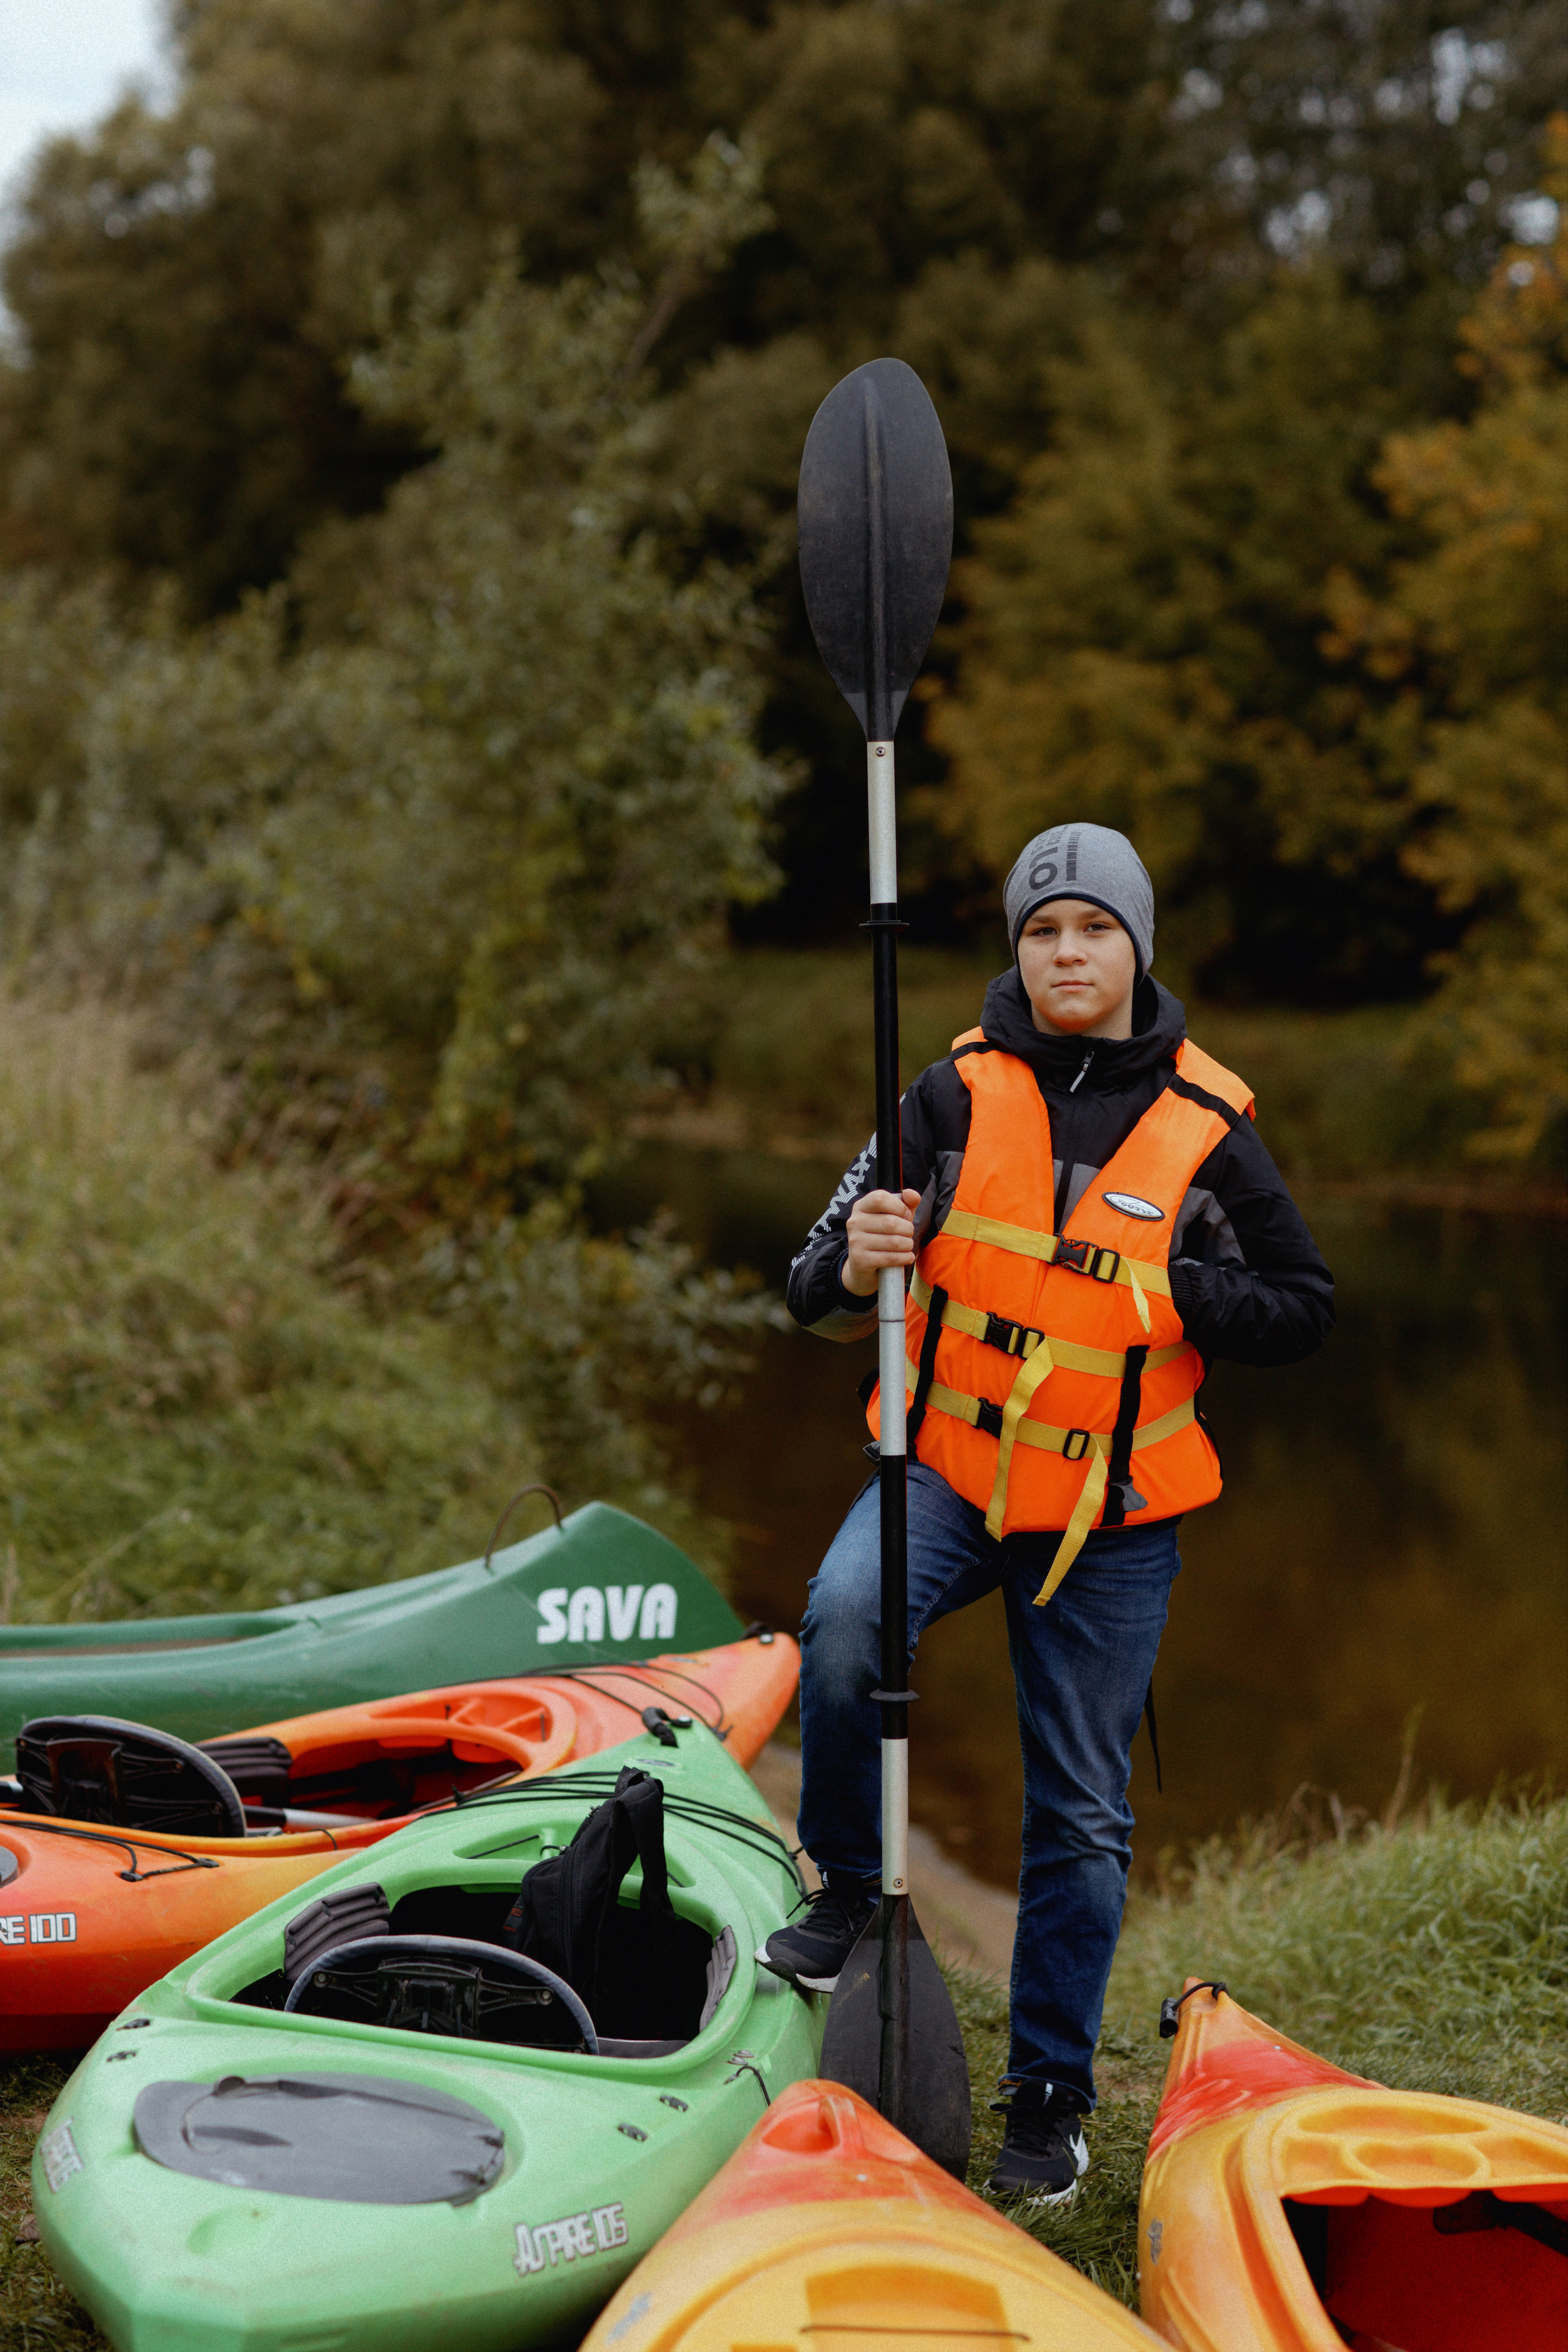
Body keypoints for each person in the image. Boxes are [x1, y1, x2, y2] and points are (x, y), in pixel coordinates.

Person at [761, 821, 1335, 2204]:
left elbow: (1302, 1312)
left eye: (1091, 930)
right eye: (1040, 932)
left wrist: (1181, 1286)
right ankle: (845, 1885)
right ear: (1014, 951)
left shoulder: (1212, 1126)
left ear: (1136, 944)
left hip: (1111, 1512)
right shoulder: (943, 1097)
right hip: (946, 1471)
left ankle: (1050, 2094)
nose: (1065, 955)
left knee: (1075, 1810)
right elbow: (804, 1287)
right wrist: (857, 1264)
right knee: (841, 1623)